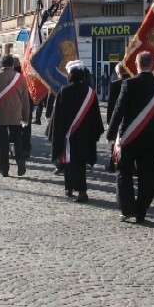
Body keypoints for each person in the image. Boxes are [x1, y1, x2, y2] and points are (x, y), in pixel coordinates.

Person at [106, 51, 154, 224]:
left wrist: (111, 135)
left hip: (129, 137)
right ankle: (141, 211)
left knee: (123, 171)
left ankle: (127, 209)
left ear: (136, 63)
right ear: (152, 63)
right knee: (146, 175)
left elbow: (119, 110)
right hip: (151, 138)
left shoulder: (128, 84)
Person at [51, 61, 104, 203]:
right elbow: (96, 117)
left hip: (69, 135)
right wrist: (95, 133)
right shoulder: (90, 93)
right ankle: (74, 188)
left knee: (68, 160)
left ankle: (79, 191)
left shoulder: (64, 91)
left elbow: (58, 116)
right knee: (79, 163)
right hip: (85, 136)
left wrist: (57, 134)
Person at [0, 54, 31, 177]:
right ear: (12, 64)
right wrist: (25, 117)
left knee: (2, 143)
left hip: (0, 115)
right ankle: (20, 162)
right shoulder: (21, 78)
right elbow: (25, 100)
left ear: (1, 64)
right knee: (17, 140)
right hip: (15, 115)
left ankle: (4, 169)